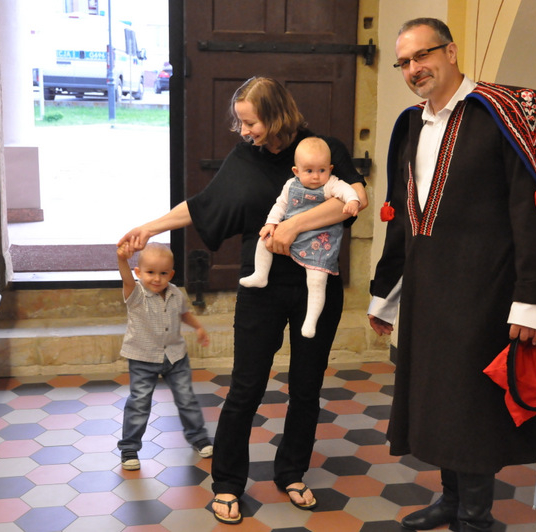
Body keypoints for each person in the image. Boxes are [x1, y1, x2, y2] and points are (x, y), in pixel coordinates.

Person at [118, 76, 367, 525]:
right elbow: (204, 205)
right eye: (241, 123)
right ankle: (228, 483)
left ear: (275, 115)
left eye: (250, 122)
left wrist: (292, 226)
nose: (244, 131)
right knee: (245, 387)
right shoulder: (245, 157)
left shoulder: (322, 149)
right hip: (262, 288)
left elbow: (356, 199)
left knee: (306, 387)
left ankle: (291, 472)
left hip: (317, 284)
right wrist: (150, 227)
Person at [367, 18, 536, 532]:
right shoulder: (409, 125)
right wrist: (385, 294)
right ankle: (451, 500)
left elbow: (532, 210)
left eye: (423, 55)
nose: (414, 69)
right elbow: (402, 216)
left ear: (451, 51)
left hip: (485, 291)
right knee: (440, 402)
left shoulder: (505, 114)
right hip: (427, 294)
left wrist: (531, 300)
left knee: (472, 410)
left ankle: (475, 518)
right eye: (404, 62)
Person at [239, 136, 361, 338]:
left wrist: (352, 201)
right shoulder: (291, 185)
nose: (316, 176)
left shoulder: (331, 184)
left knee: (317, 279)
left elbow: (348, 190)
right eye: (309, 171)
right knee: (263, 240)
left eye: (322, 170)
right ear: (296, 171)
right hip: (292, 237)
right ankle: (260, 274)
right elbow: (280, 205)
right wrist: (271, 223)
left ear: (330, 169)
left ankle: (311, 320)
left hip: (319, 242)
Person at [116, 242, 214, 471]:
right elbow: (126, 278)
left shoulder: (175, 293)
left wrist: (198, 327)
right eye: (150, 272)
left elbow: (184, 314)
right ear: (139, 272)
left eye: (163, 273)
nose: (157, 278)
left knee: (186, 399)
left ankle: (198, 437)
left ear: (171, 274)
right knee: (139, 403)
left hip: (175, 357)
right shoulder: (136, 293)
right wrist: (122, 260)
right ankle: (129, 447)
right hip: (143, 358)